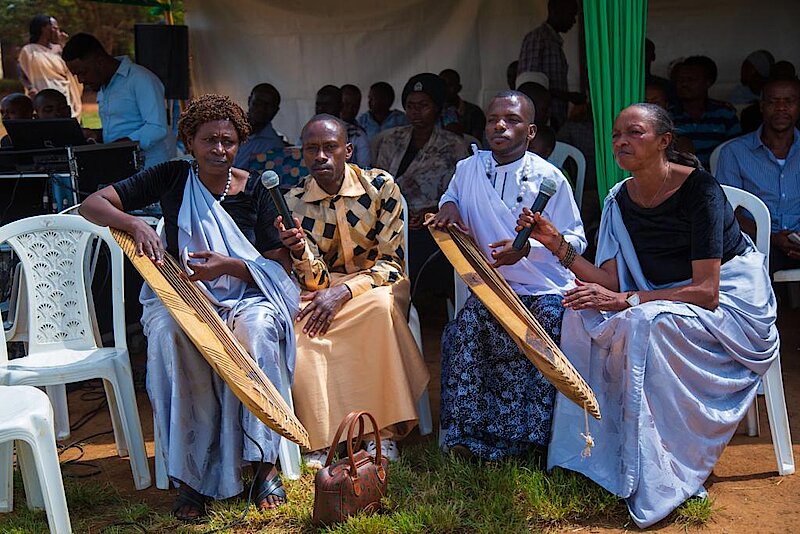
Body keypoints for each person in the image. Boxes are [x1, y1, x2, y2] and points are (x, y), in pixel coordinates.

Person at [520, 103, 779, 527]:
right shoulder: (619, 200)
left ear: (664, 141)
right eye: (616, 135)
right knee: (578, 314)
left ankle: (666, 470)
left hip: (729, 308)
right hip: (657, 298)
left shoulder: (701, 190)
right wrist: (555, 244)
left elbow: (707, 291)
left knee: (643, 322)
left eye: (634, 133)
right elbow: (610, 281)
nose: (621, 141)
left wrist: (628, 301)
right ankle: (589, 454)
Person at [78, 94, 299, 520]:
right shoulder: (172, 176)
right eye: (209, 140)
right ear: (189, 142)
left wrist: (228, 266)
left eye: (228, 141)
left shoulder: (255, 188)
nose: (219, 149)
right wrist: (134, 223)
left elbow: (278, 265)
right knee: (170, 336)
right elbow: (93, 204)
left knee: (258, 330)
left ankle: (262, 464)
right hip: (185, 296)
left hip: (245, 295)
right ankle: (191, 475)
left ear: (239, 143)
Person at [427, 90, 585, 460]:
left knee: (543, 330)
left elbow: (576, 241)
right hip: (490, 287)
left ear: (530, 132)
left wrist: (528, 250)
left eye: (512, 120)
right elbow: (450, 196)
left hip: (542, 288)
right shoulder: (468, 169)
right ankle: (469, 437)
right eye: (493, 119)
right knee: (466, 329)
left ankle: (528, 443)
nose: (500, 126)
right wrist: (449, 208)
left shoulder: (549, 178)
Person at [277, 114, 429, 467]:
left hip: (380, 282)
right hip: (326, 289)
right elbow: (314, 282)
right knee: (302, 325)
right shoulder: (294, 201)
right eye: (312, 149)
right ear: (302, 153)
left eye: (329, 147)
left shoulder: (380, 187)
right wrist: (300, 251)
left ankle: (382, 433)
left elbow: (392, 263)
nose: (321, 156)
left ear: (347, 150)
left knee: (378, 309)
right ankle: (324, 438)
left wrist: (344, 292)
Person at [373, 73, 470, 288]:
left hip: (433, 224)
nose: (416, 111)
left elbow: (463, 193)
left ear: (436, 107)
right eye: (410, 105)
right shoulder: (391, 140)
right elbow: (378, 184)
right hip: (390, 220)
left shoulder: (453, 145)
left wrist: (433, 211)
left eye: (423, 105)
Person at [717, 77, 800, 273]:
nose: (781, 108)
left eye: (789, 101)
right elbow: (727, 213)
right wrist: (770, 238)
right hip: (755, 244)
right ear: (761, 106)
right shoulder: (735, 152)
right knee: (752, 268)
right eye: (773, 102)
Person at [63, 33, 175, 168]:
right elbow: (123, 127)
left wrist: (117, 148)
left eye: (83, 72)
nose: (80, 80)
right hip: (123, 167)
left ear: (99, 61)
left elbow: (157, 127)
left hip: (149, 168)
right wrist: (97, 135)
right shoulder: (104, 85)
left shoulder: (140, 79)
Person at [517, 0, 584, 131]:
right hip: (543, 122)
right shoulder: (538, 39)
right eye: (571, 15)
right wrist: (568, 96)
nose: (574, 21)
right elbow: (529, 87)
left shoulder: (554, 42)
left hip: (555, 120)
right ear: (555, 12)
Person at [671, 56, 740, 169]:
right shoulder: (668, 116)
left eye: (691, 79)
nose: (684, 84)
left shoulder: (725, 114)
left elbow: (737, 151)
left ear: (708, 82)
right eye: (680, 80)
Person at [18, 15, 83, 118]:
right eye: (54, 28)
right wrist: (30, 88)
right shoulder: (28, 51)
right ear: (43, 29)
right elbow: (21, 72)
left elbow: (73, 67)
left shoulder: (60, 49)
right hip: (42, 97)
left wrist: (63, 44)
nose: (58, 31)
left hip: (64, 95)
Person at [233, 83, 288, 169]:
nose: (262, 109)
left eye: (269, 105)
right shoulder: (227, 127)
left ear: (276, 111)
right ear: (249, 101)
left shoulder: (275, 146)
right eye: (258, 102)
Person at [315, 84, 370, 168]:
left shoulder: (356, 135)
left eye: (327, 105)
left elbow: (364, 169)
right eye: (318, 105)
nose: (321, 109)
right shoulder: (309, 133)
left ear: (340, 106)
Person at [439, 69, 486, 141]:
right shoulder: (433, 112)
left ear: (459, 88)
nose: (445, 89)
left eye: (450, 85)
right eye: (442, 85)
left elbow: (476, 143)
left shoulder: (474, 112)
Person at [644, 38, 677, 109]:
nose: (641, 55)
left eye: (645, 51)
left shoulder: (666, 86)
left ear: (653, 56)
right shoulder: (623, 85)